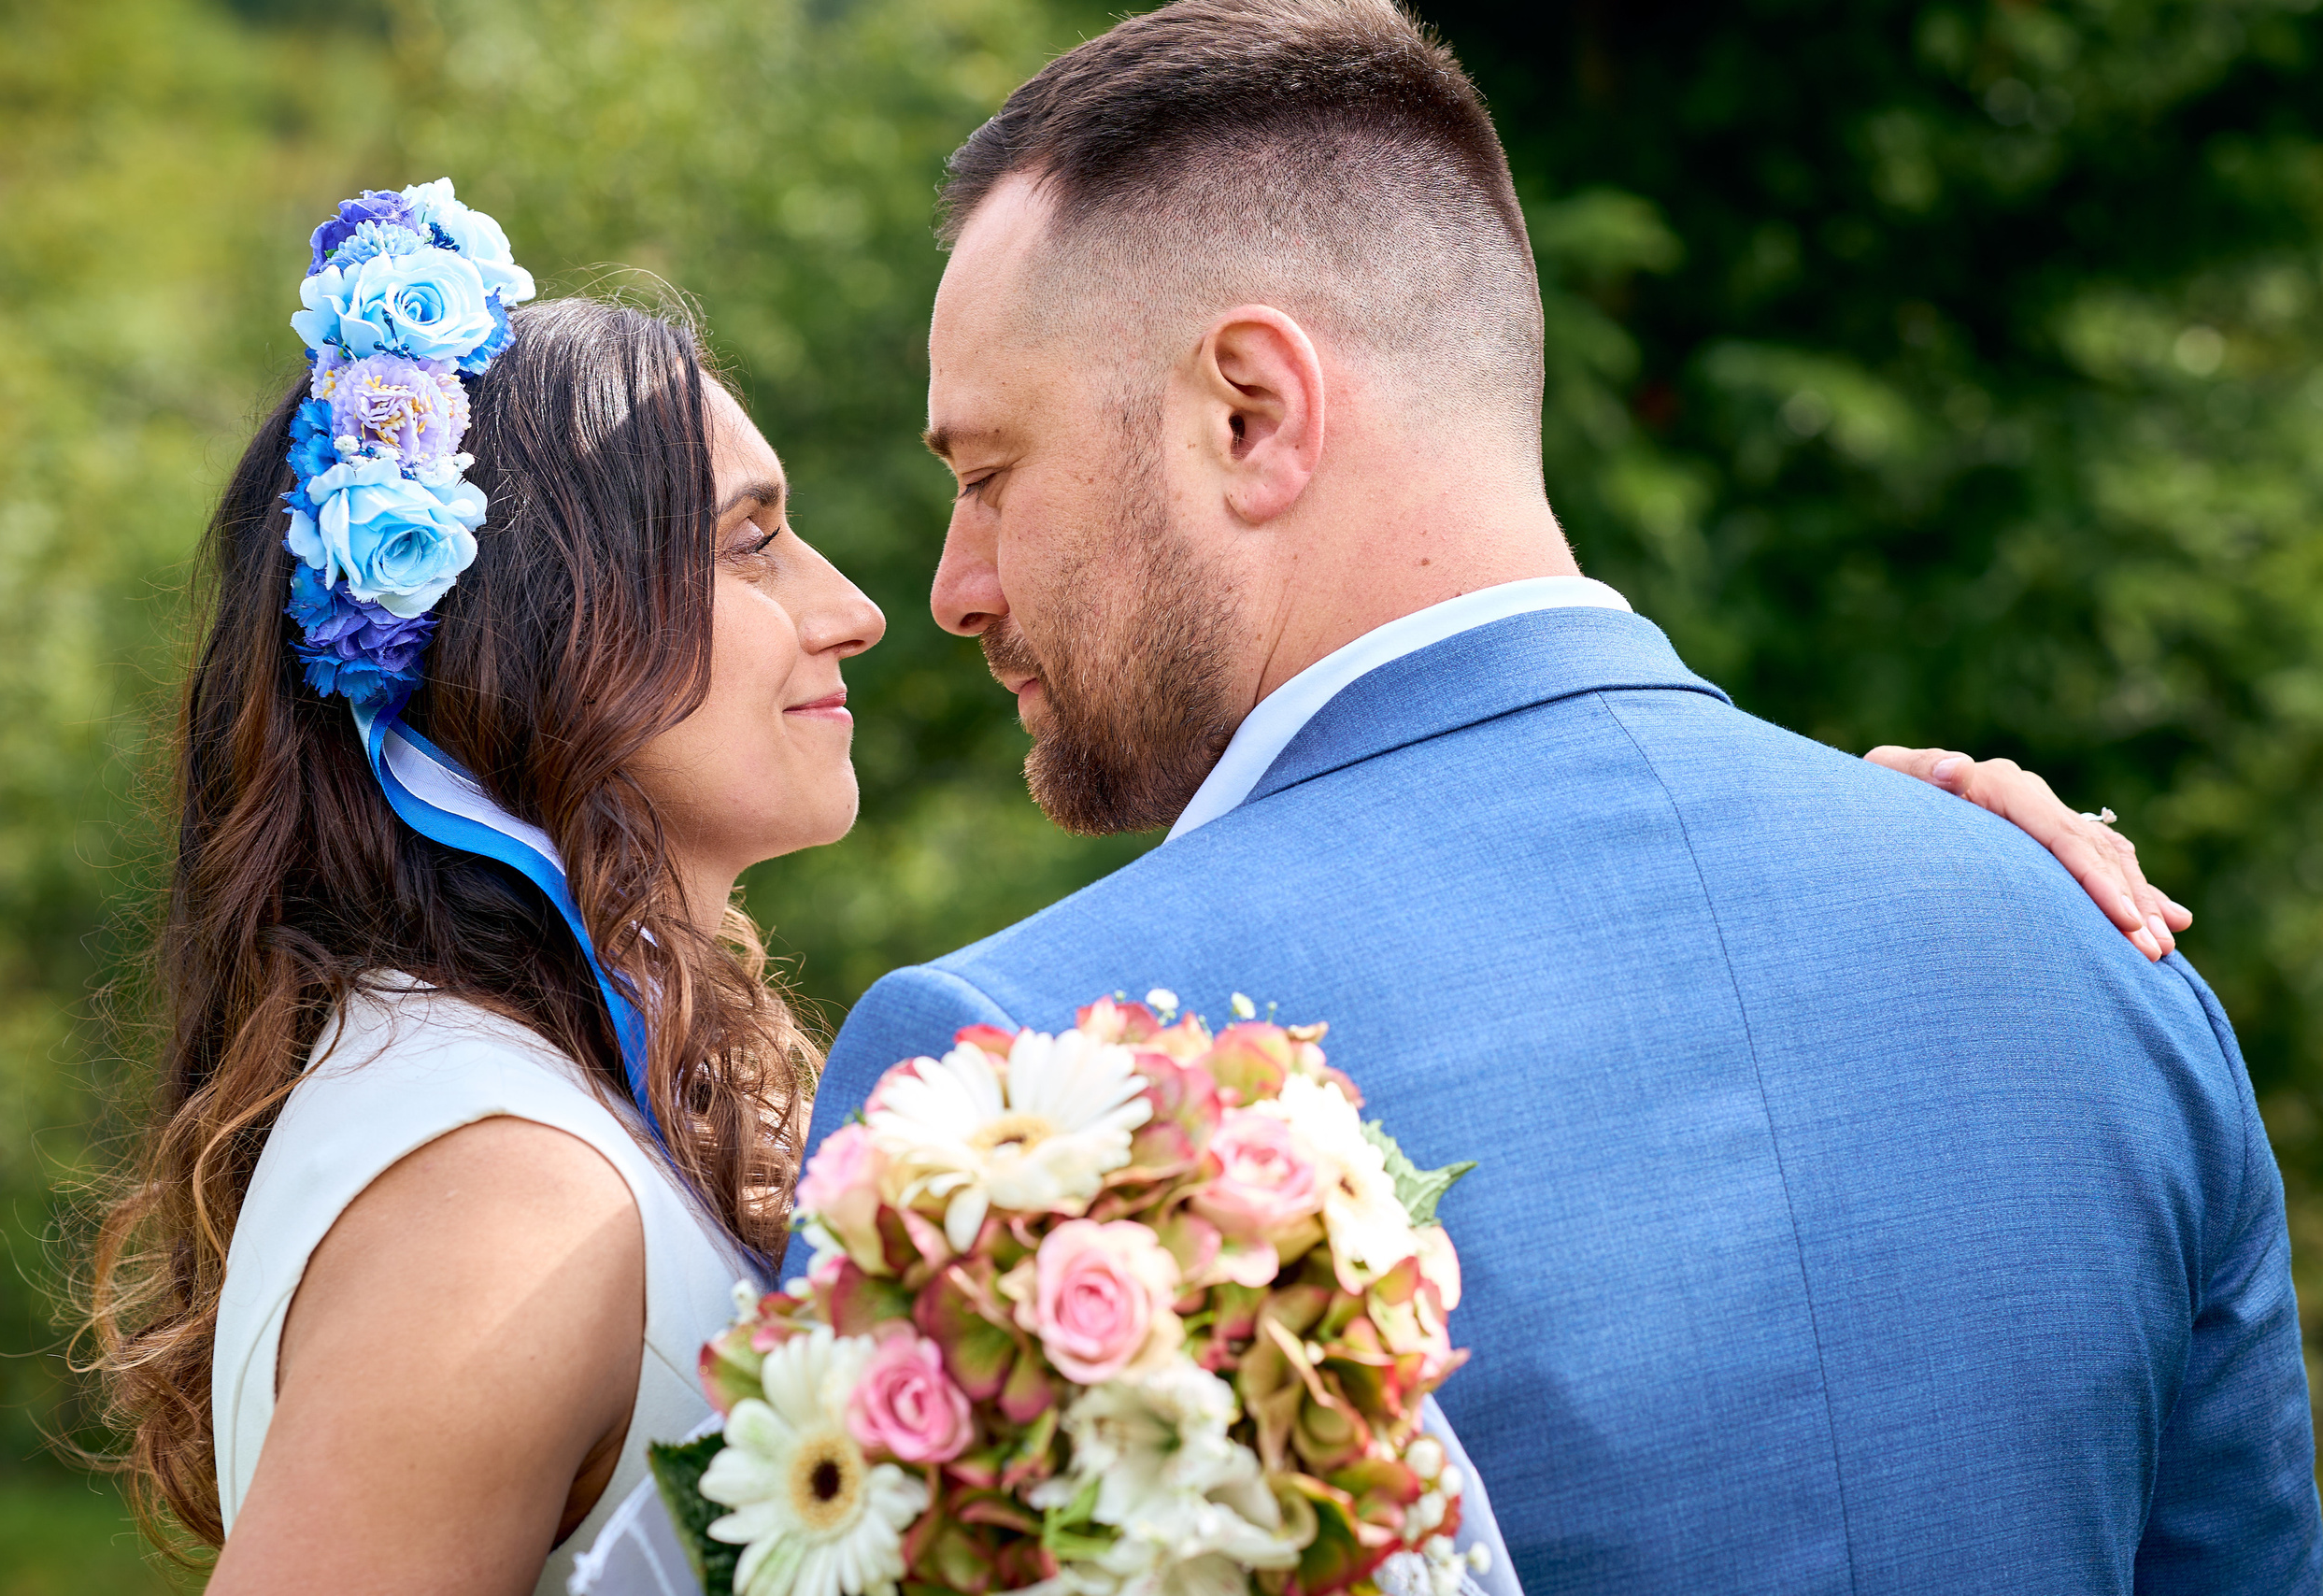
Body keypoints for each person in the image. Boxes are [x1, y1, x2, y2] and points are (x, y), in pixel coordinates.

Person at [791, 0, 2318, 1588]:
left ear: (1249, 412)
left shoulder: (1015, 1084)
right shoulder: (2083, 948)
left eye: (986, 474)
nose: (955, 585)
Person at [81, 184, 885, 1596]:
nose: (851, 609)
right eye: (751, 542)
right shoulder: (498, 1192)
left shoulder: (541, 1107)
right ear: (541, 623)